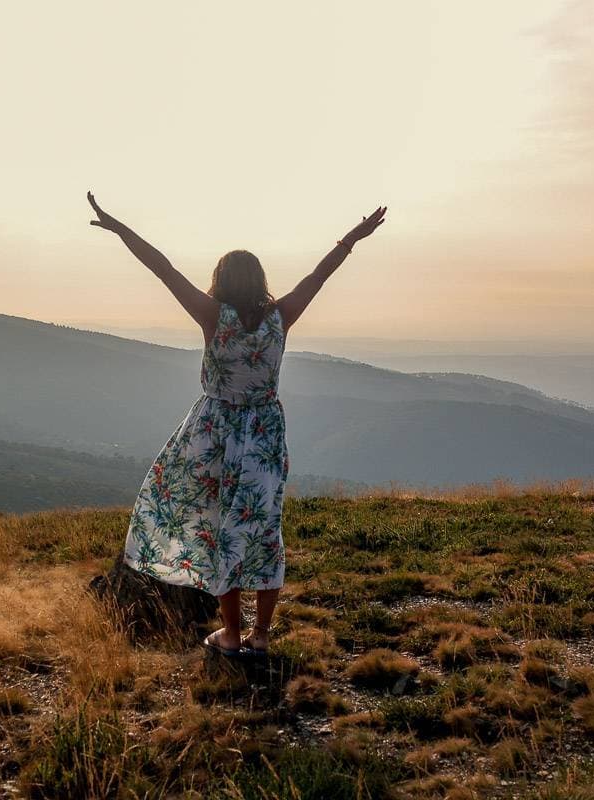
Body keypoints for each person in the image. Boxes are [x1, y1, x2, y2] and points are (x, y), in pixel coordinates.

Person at [87, 191, 387, 655]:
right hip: (265, 432)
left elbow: (163, 269)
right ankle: (261, 635)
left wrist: (119, 228)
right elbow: (318, 276)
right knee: (264, 530)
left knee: (216, 526)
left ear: (221, 280)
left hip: (214, 431)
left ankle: (229, 632)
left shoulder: (213, 317)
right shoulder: (281, 317)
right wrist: (353, 237)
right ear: (261, 280)